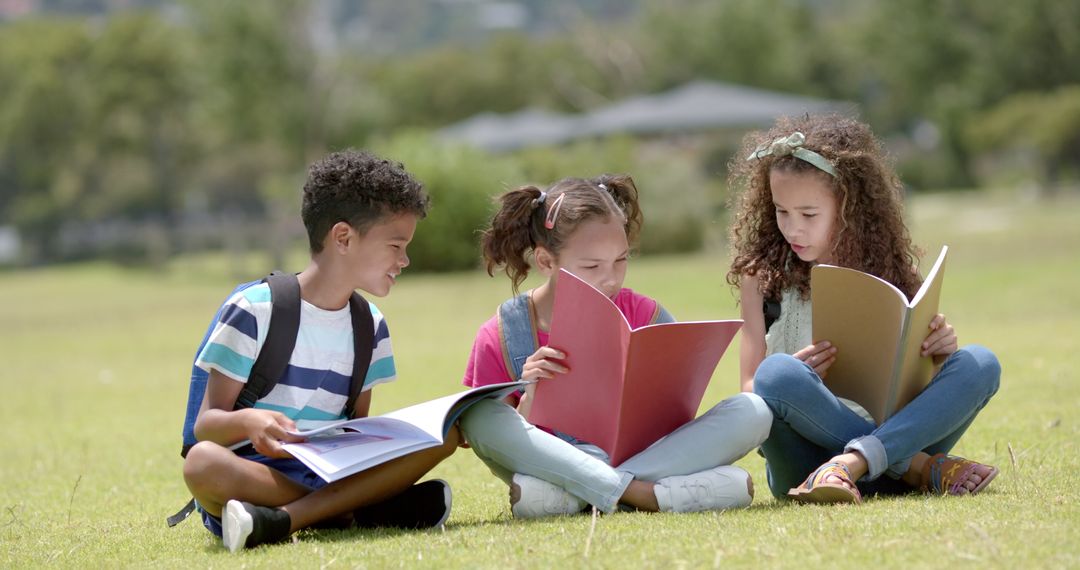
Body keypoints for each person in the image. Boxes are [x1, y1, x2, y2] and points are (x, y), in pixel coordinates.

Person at [182, 150, 460, 552]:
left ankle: (285, 520)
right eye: (396, 245)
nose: (405, 260)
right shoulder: (255, 309)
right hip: (253, 471)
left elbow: (354, 432)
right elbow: (205, 426)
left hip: (329, 470)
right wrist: (250, 421)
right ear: (343, 237)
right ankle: (356, 509)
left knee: (446, 433)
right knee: (203, 463)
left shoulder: (371, 326)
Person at [457, 174, 772, 518]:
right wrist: (531, 392)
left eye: (621, 260)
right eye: (592, 266)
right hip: (552, 461)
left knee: (753, 410)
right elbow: (496, 438)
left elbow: (677, 422)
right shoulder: (501, 333)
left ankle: (572, 496)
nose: (611, 278)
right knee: (478, 415)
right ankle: (646, 495)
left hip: (634, 456)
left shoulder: (647, 314)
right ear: (546, 262)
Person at [726, 114, 1001, 503]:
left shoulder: (891, 274)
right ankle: (919, 467)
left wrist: (940, 355)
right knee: (776, 373)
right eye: (780, 211)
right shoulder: (762, 278)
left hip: (884, 443)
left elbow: (912, 389)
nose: (792, 228)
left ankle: (854, 465)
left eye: (808, 214)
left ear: (849, 208)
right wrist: (799, 375)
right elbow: (750, 388)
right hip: (803, 463)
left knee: (981, 362)